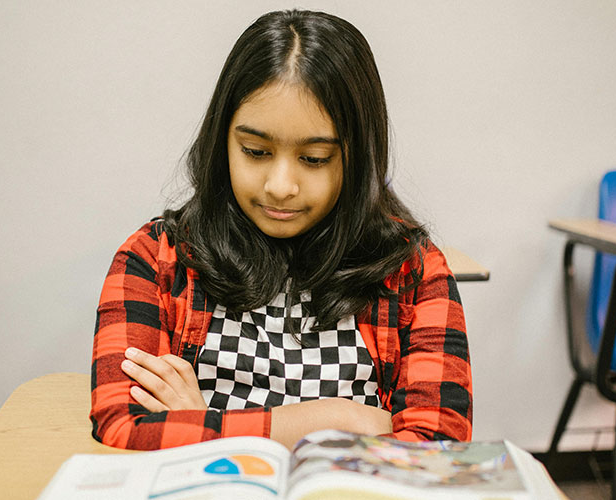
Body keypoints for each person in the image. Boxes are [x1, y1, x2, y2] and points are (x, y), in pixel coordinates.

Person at [90, 9, 472, 451]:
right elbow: (124, 427)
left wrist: (202, 424)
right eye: (255, 151)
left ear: (360, 156)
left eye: (314, 159)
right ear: (222, 140)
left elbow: (438, 445)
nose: (280, 186)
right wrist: (342, 419)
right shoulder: (155, 258)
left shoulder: (415, 272)